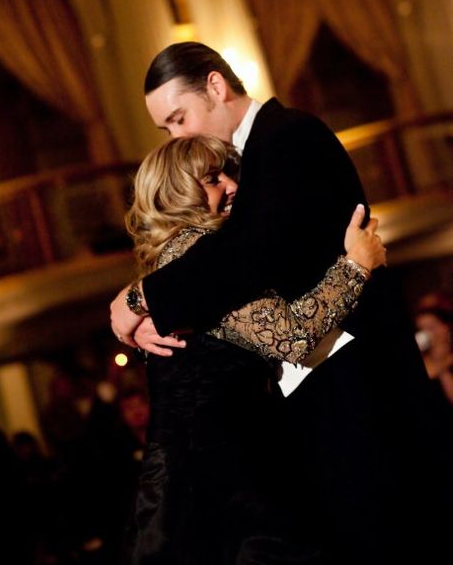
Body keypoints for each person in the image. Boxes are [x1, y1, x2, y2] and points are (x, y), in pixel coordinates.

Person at [111, 42, 452, 564]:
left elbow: (248, 253)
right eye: (167, 130)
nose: (177, 138)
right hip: (301, 420)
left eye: (178, 119)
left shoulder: (289, 136)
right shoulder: (238, 180)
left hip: (360, 397)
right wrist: (143, 300)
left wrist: (140, 299)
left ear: (216, 87)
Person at [120, 134, 386, 565]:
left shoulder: (174, 262)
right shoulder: (197, 257)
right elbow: (293, 337)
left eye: (229, 173)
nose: (231, 186)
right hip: (220, 481)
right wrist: (358, 262)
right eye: (211, 179)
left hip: (202, 474)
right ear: (174, 193)